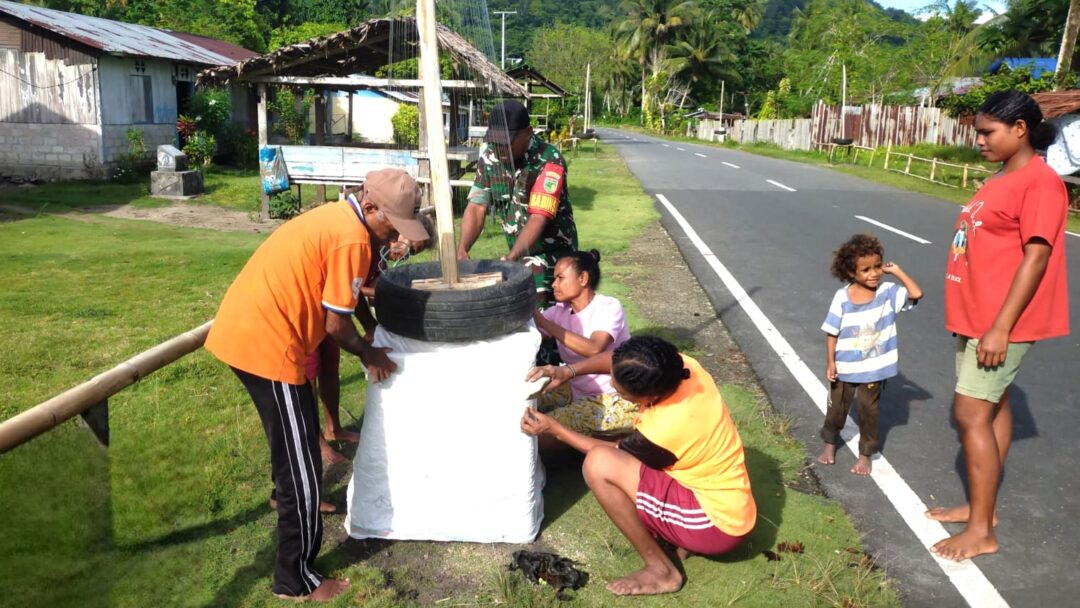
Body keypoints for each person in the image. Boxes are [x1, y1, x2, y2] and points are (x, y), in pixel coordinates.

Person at [204, 168, 429, 601]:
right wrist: (368, 352)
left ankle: (282, 498)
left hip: (252, 331)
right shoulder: (351, 237)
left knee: (293, 446)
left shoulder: (342, 221)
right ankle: (295, 578)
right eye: (391, 226)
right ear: (370, 207)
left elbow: (344, 300)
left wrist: (370, 336)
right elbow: (335, 324)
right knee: (304, 465)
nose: (391, 237)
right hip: (267, 344)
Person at [927, 90, 1069, 562]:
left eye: (988, 132)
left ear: (1021, 129)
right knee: (993, 406)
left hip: (1001, 323)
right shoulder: (1001, 178)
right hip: (978, 316)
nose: (980, 141)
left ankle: (982, 531)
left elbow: (1037, 256)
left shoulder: (1041, 183)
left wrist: (1000, 327)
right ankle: (980, 509)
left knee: (970, 414)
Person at [521, 337, 757, 596]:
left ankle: (662, 571)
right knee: (610, 457)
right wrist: (569, 370)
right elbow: (618, 361)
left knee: (598, 464)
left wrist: (554, 430)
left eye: (621, 392)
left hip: (715, 525)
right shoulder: (682, 368)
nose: (612, 384)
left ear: (651, 395)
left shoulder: (665, 427)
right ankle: (677, 538)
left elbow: (610, 455)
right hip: (722, 498)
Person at [457, 99, 579, 312]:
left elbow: (538, 217)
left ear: (528, 132)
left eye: (507, 141)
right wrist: (462, 249)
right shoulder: (490, 155)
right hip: (518, 255)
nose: (500, 148)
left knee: (544, 315)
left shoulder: (549, 160)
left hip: (552, 256)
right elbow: (477, 205)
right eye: (495, 141)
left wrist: (512, 258)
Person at [816, 234, 922, 475]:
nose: (874, 273)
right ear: (851, 273)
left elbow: (916, 294)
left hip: (875, 368)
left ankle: (866, 454)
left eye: (877, 267)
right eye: (865, 270)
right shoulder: (842, 297)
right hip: (845, 367)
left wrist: (897, 272)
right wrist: (830, 362)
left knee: (869, 412)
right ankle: (829, 444)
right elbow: (831, 332)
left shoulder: (888, 292)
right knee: (836, 409)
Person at [531, 249, 635, 445]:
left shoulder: (608, 307)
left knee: (541, 429)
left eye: (560, 278)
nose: (554, 285)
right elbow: (533, 335)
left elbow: (594, 348)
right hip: (575, 389)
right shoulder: (558, 312)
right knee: (526, 401)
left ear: (583, 278)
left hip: (611, 396)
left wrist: (545, 324)